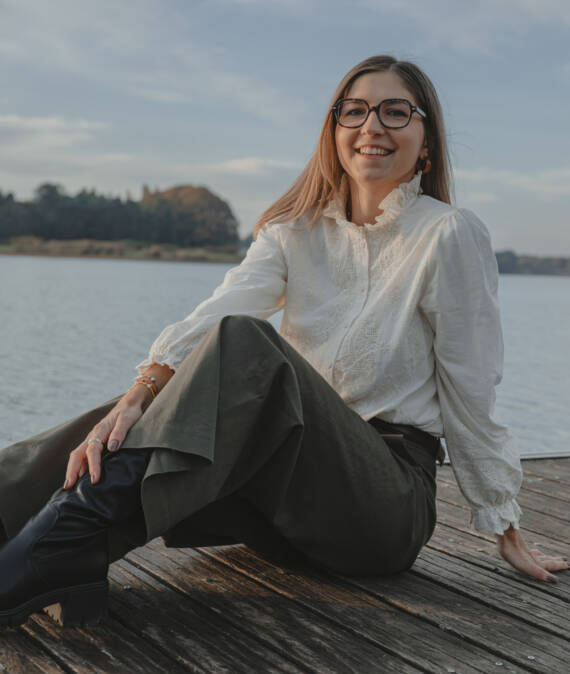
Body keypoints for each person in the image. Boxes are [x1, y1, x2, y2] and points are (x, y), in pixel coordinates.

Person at [0, 55, 567, 630]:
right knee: (142, 409)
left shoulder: (448, 233)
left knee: (246, 345)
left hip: (380, 509)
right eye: (355, 111)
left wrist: (504, 522)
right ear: (334, 133)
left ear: (425, 141)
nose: (373, 125)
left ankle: (58, 545)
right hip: (283, 507)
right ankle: (31, 528)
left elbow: (472, 386)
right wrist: (138, 395)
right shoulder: (293, 231)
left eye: (396, 112)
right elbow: (215, 313)